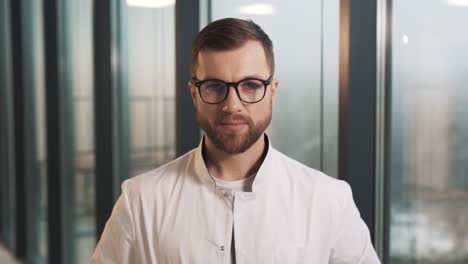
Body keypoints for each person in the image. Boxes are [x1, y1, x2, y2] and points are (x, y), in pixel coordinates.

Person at [90, 18, 381, 263]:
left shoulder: (328, 200)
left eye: (251, 85)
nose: (232, 105)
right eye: (215, 86)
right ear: (194, 93)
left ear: (272, 91)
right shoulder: (141, 200)